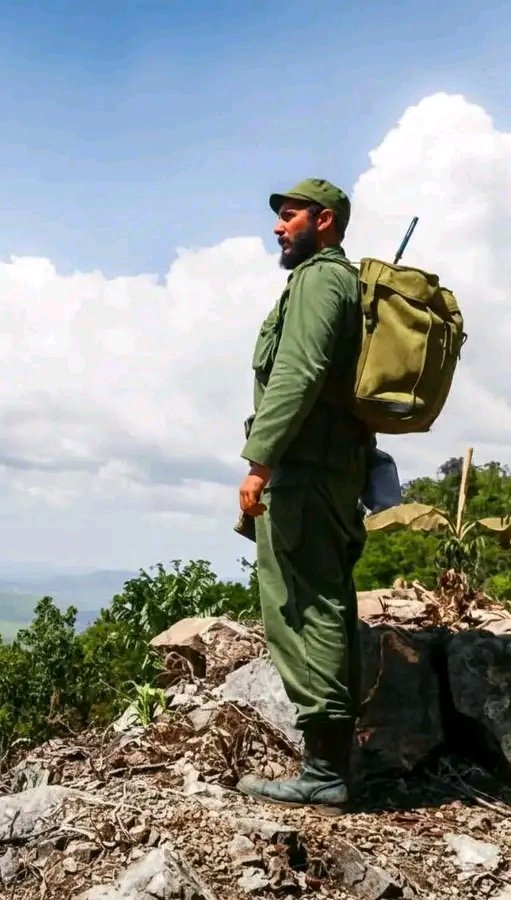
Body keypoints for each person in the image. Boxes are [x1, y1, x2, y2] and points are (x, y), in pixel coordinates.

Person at [236, 178, 372, 815]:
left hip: (306, 472)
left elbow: (299, 371)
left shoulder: (320, 281)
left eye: (289, 217)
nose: (277, 227)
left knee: (303, 605)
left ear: (325, 221)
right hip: (328, 468)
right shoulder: (333, 282)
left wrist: (260, 463)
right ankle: (332, 761)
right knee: (325, 599)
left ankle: (323, 771)